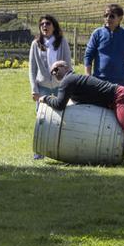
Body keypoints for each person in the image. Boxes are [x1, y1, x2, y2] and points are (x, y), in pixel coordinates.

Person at [28, 14, 72, 159]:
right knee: (41, 119)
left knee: (62, 118)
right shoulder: (35, 44)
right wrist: (34, 90)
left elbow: (68, 64)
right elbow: (32, 69)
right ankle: (39, 152)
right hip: (43, 87)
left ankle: (61, 149)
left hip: (60, 86)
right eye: (42, 25)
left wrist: (69, 83)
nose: (45, 27)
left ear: (54, 26)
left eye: (47, 24)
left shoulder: (62, 42)